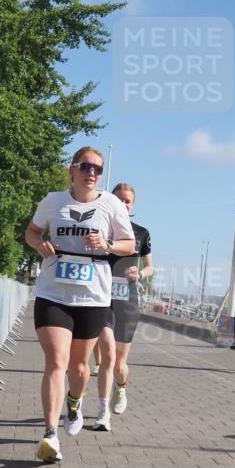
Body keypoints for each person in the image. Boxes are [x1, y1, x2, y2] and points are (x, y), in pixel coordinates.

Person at [25, 147, 135, 462]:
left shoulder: (112, 205)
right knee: (56, 362)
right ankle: (49, 436)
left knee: (80, 367)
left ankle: (75, 402)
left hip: (92, 297)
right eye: (85, 167)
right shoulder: (53, 201)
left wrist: (108, 244)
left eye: (97, 170)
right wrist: (40, 244)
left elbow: (128, 245)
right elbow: (32, 232)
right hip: (53, 293)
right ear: (72, 170)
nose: (91, 173)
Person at [92, 183, 153, 431]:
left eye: (128, 201)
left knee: (118, 364)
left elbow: (150, 267)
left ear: (132, 205)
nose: (123, 203)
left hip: (127, 300)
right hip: (101, 298)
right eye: (119, 199)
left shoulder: (141, 233)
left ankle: (122, 387)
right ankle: (102, 412)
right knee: (107, 356)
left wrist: (140, 272)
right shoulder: (99, 229)